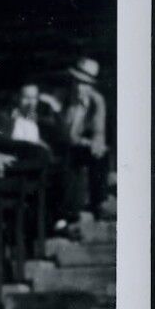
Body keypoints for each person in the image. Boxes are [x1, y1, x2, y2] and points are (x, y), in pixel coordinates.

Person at [51, 57, 109, 222]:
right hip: (60, 144)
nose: (79, 87)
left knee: (101, 154)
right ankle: (67, 212)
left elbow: (99, 130)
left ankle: (99, 203)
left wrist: (96, 144)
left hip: (77, 145)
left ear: (91, 86)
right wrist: (80, 141)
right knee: (69, 158)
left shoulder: (96, 101)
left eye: (85, 84)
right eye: (76, 82)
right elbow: (60, 133)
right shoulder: (60, 97)